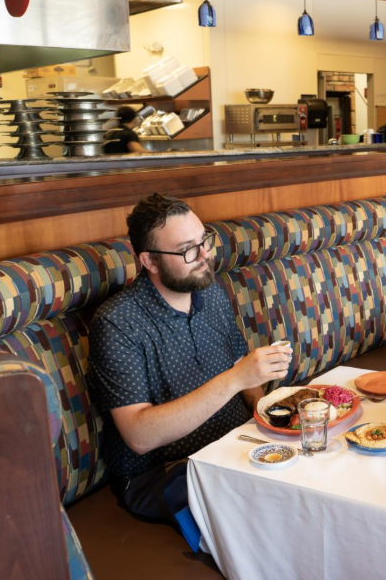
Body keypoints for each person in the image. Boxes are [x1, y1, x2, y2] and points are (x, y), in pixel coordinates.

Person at [88, 193, 292, 537]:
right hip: (163, 472)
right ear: (150, 261)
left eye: (204, 241)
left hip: (235, 443)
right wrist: (235, 379)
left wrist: (264, 412)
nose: (204, 255)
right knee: (269, 511)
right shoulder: (117, 323)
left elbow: (241, 365)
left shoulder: (208, 291)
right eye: (187, 250)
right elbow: (139, 436)